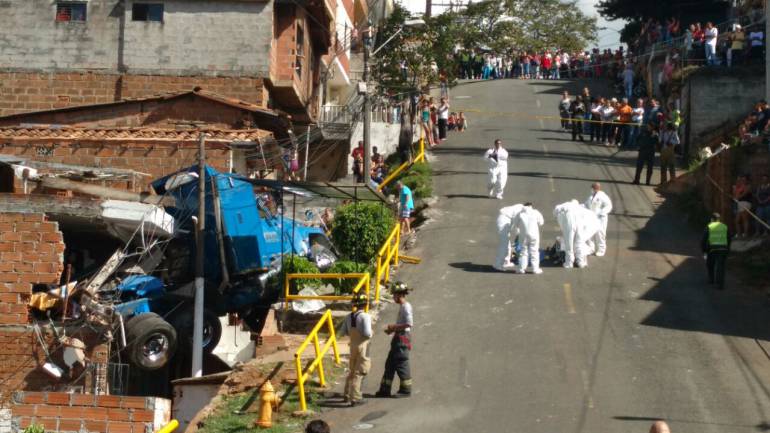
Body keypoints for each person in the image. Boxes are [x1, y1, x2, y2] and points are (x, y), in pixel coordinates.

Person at [376, 282, 413, 398]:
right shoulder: (403, 307)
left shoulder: (406, 307)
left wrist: (393, 327)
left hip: (402, 338)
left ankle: (405, 390)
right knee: (390, 364)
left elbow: (409, 324)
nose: (393, 297)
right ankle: (384, 390)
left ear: (399, 294)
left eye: (394, 295)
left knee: (401, 363)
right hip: (399, 337)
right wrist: (392, 330)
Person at [337, 294, 372, 406]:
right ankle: (356, 398)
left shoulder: (349, 317)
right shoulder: (365, 316)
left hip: (352, 345)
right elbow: (367, 333)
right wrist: (371, 333)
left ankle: (346, 395)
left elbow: (343, 332)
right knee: (361, 371)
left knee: (352, 371)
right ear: (365, 304)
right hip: (363, 346)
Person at [554, 200, 594, 268]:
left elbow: (556, 209)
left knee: (569, 243)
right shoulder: (581, 208)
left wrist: (557, 216)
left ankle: (569, 262)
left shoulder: (566, 204)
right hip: (580, 224)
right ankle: (580, 262)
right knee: (579, 243)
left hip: (569, 224)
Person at [701, 213, 730, 290]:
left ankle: (711, 279)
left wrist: (704, 251)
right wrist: (728, 249)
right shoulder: (725, 226)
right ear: (719, 219)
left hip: (712, 249)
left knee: (710, 264)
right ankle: (720, 284)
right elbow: (729, 238)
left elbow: (703, 240)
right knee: (721, 267)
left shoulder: (709, 226)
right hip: (723, 249)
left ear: (712, 219)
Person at [514, 203, 544, 274]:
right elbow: (541, 222)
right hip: (534, 235)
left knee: (523, 252)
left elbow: (516, 224)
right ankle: (535, 269)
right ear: (531, 206)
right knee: (534, 252)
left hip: (523, 235)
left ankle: (521, 269)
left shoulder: (519, 214)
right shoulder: (536, 212)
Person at [584, 182, 612, 257]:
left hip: (600, 219)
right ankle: (590, 248)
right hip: (592, 218)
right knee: (590, 234)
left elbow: (609, 206)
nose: (591, 190)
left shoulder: (603, 196)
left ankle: (601, 250)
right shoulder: (591, 197)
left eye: (592, 188)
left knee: (600, 234)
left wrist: (601, 213)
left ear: (596, 188)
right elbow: (586, 205)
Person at [494, 204, 524, 271]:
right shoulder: (521, 211)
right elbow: (517, 225)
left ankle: (506, 262)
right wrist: (519, 235)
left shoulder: (520, 207)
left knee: (508, 244)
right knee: (504, 244)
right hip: (504, 221)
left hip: (507, 220)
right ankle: (497, 264)